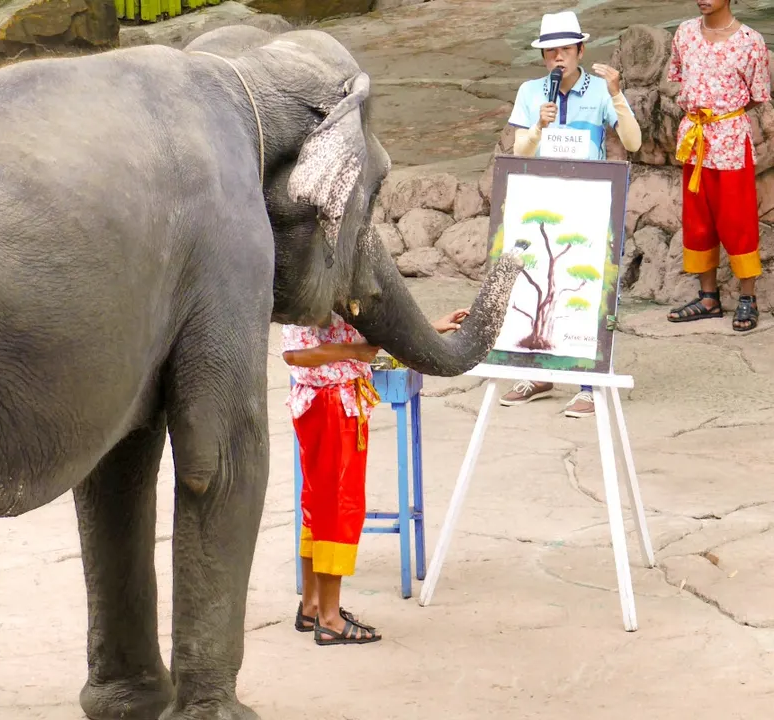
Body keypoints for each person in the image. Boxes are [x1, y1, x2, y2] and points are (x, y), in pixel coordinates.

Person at [284, 307, 469, 646]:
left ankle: (312, 606)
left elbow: (376, 330)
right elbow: (294, 355)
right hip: (331, 404)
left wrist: (428, 329)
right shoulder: (313, 297)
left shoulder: (335, 296)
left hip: (332, 401)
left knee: (318, 504)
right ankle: (329, 618)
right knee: (338, 509)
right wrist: (353, 352)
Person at [500, 10, 643, 418]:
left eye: (565, 49)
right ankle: (538, 371)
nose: (557, 58)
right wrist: (536, 130)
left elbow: (632, 142)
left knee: (588, 286)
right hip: (542, 197)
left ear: (581, 50)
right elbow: (518, 153)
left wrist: (617, 94)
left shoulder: (600, 91)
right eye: (550, 52)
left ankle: (589, 381)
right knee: (538, 284)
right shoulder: (531, 92)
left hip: (591, 198)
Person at [663, 0, 770, 332]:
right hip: (695, 140)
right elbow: (677, 76)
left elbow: (757, 94)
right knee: (698, 218)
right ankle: (707, 297)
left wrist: (724, 114)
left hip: (730, 139)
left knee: (738, 218)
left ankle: (747, 299)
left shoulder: (751, 41)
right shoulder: (684, 33)